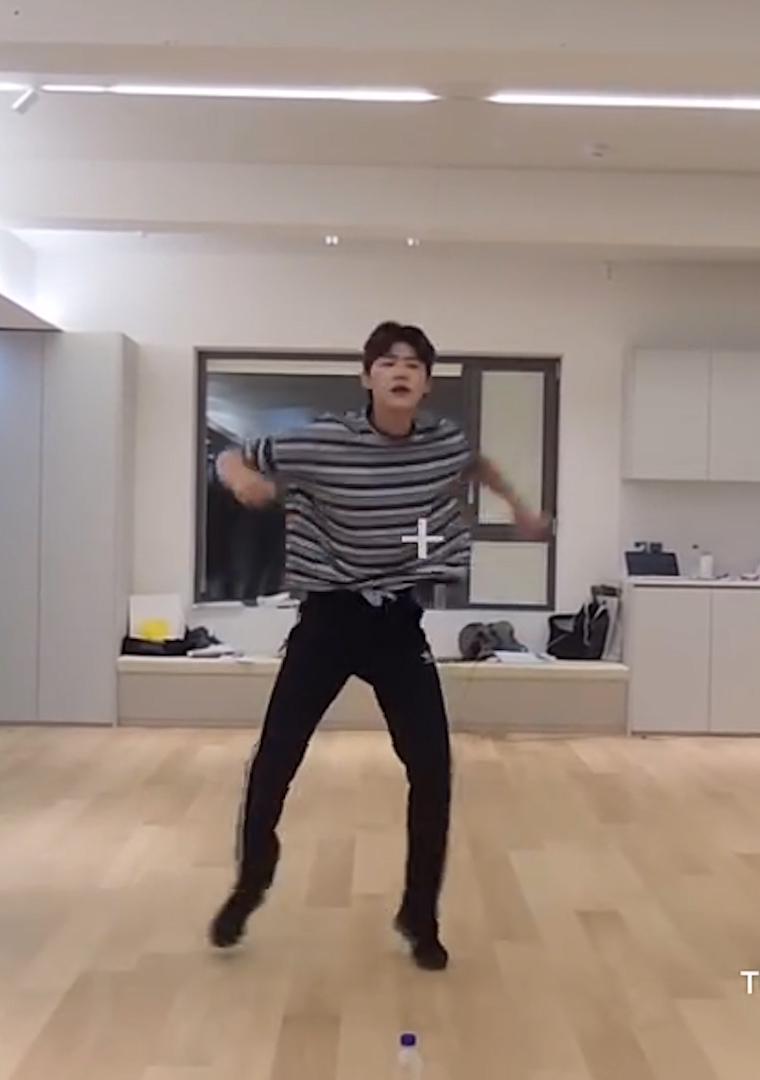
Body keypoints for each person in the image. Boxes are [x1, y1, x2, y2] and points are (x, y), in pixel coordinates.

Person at [206, 320, 548, 970]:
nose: (401, 371)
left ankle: (420, 913)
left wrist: (520, 508)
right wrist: (241, 480)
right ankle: (251, 881)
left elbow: (476, 464)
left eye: (413, 364)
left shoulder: (442, 442)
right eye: (388, 362)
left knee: (433, 769)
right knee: (275, 757)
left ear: (425, 383)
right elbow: (229, 455)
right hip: (327, 623)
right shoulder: (322, 439)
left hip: (395, 625)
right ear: (368, 377)